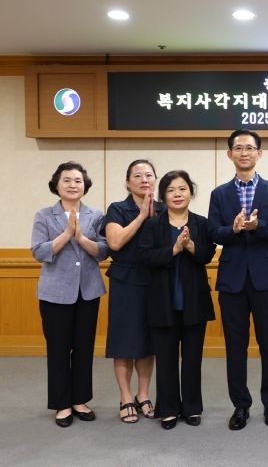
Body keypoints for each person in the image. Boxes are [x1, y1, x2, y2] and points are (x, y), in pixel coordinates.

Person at [208, 129, 268, 431]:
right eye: (238, 148)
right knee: (235, 346)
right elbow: (213, 232)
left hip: (266, 278)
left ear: (259, 153)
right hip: (232, 279)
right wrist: (234, 229)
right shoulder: (219, 194)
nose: (244, 152)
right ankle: (240, 405)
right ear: (230, 154)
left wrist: (258, 226)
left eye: (249, 148)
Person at [31, 161, 108, 427]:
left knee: (84, 348)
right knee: (58, 349)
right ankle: (62, 404)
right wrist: (66, 234)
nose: (73, 185)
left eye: (78, 180)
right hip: (54, 293)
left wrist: (81, 238)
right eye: (67, 180)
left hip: (88, 291)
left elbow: (104, 251)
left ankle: (80, 400)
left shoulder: (96, 214)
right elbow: (39, 251)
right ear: (56, 185)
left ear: (85, 186)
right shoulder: (44, 215)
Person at [139, 170, 216, 430]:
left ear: (191, 193)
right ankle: (169, 408)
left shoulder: (201, 223)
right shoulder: (153, 225)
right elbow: (145, 257)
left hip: (194, 301)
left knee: (193, 359)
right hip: (163, 302)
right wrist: (173, 250)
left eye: (182, 189)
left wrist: (191, 246)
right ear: (163, 196)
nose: (177, 194)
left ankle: (192, 408)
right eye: (171, 190)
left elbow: (208, 254)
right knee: (166, 358)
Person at [103, 159, 164, 423]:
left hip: (156, 280)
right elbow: (115, 242)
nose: (144, 180)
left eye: (149, 175)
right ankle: (126, 396)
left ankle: (143, 394)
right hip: (126, 280)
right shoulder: (118, 209)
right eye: (137, 176)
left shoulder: (164, 208)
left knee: (149, 341)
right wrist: (141, 216)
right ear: (128, 183)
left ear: (155, 180)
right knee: (124, 341)